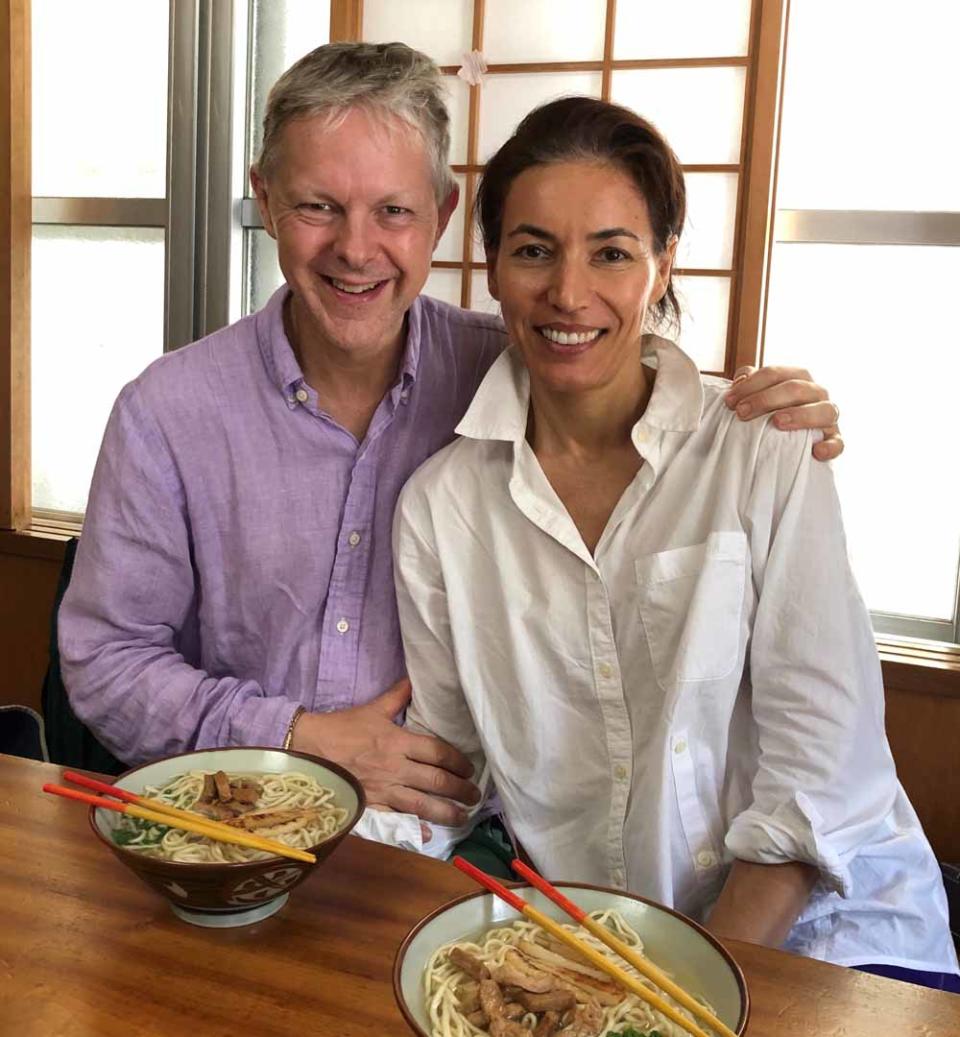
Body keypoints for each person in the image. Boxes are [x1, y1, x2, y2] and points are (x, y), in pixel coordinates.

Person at [60, 42, 843, 830]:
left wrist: (755, 412)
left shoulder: (510, 370)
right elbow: (103, 661)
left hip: (458, 836)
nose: (356, 249)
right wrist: (294, 739)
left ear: (440, 212)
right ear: (265, 200)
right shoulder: (167, 412)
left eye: (394, 211)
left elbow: (610, 349)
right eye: (317, 206)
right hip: (226, 820)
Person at [391, 95, 959, 982]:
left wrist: (669, 988)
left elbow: (819, 781)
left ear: (661, 268)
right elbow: (448, 767)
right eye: (533, 249)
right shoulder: (441, 507)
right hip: (593, 945)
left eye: (611, 252)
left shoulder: (765, 452)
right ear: (492, 266)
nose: (569, 292)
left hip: (834, 933)